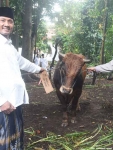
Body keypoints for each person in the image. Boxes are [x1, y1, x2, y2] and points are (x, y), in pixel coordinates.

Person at [0, 7, 44, 149]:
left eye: (10, 21)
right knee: (4, 142)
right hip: (4, 105)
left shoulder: (8, 46)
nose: (7, 24)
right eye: (2, 20)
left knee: (15, 139)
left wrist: (40, 69)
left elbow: (23, 62)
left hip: (14, 102)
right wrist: (1, 101)